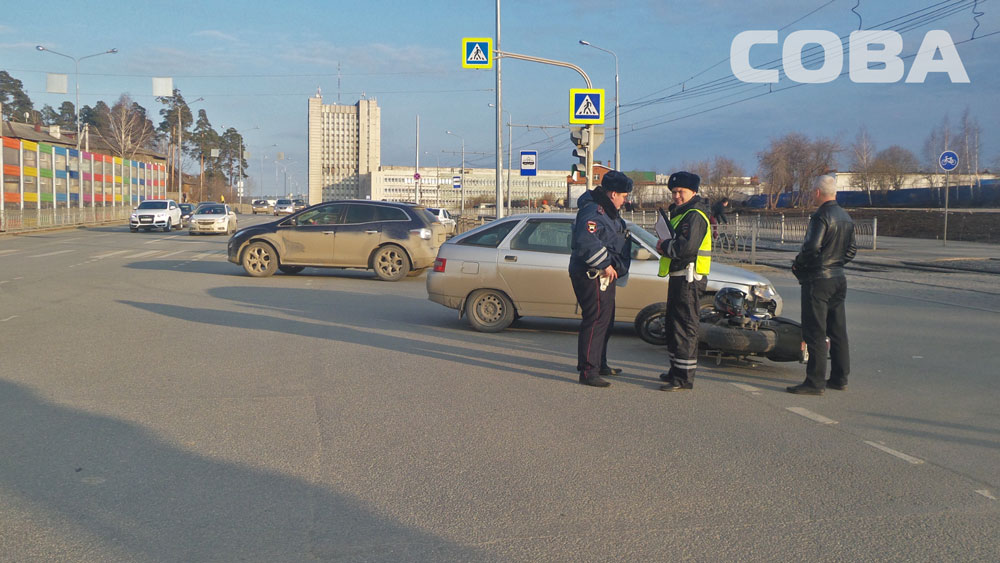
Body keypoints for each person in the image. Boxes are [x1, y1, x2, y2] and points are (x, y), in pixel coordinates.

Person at [788, 175, 856, 395]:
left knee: (815, 331)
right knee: (838, 330)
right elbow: (852, 250)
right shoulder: (845, 216)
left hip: (818, 280)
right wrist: (836, 263)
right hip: (838, 277)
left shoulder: (821, 216)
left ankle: (815, 382)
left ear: (817, 192)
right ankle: (839, 377)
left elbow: (810, 248)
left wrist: (799, 264)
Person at [569, 170, 633, 388]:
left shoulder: (606, 210)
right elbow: (586, 239)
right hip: (593, 274)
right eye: (624, 196)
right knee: (595, 320)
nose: (626, 200)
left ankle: (600, 363)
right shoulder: (594, 211)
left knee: (606, 320)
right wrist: (605, 263)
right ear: (613, 193)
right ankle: (588, 371)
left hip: (603, 275)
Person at [656, 171, 712, 392]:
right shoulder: (682, 213)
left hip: (689, 277)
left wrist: (663, 246)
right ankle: (675, 370)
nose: (677, 196)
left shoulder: (695, 215)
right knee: (673, 326)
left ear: (694, 192)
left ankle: (683, 378)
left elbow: (685, 248)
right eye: (674, 192)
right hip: (680, 276)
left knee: (685, 327)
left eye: (681, 192)